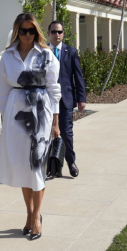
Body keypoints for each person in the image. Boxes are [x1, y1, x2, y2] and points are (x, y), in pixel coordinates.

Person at [0, 13, 61, 240]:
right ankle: (29, 214)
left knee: (37, 166)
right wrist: (5, 120)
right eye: (22, 31)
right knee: (24, 168)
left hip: (41, 114)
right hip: (17, 116)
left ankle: (36, 218)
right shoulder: (7, 56)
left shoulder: (47, 54)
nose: (26, 35)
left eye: (30, 30)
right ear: (17, 31)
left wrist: (55, 122)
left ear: (36, 32)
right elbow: (2, 92)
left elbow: (54, 89)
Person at [47, 21, 86, 177]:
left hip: (66, 100)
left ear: (63, 34)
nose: (57, 35)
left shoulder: (71, 52)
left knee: (67, 133)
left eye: (60, 32)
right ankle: (51, 166)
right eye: (54, 32)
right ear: (48, 33)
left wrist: (81, 98)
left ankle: (71, 162)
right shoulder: (42, 52)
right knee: (47, 134)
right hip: (46, 100)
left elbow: (78, 77)